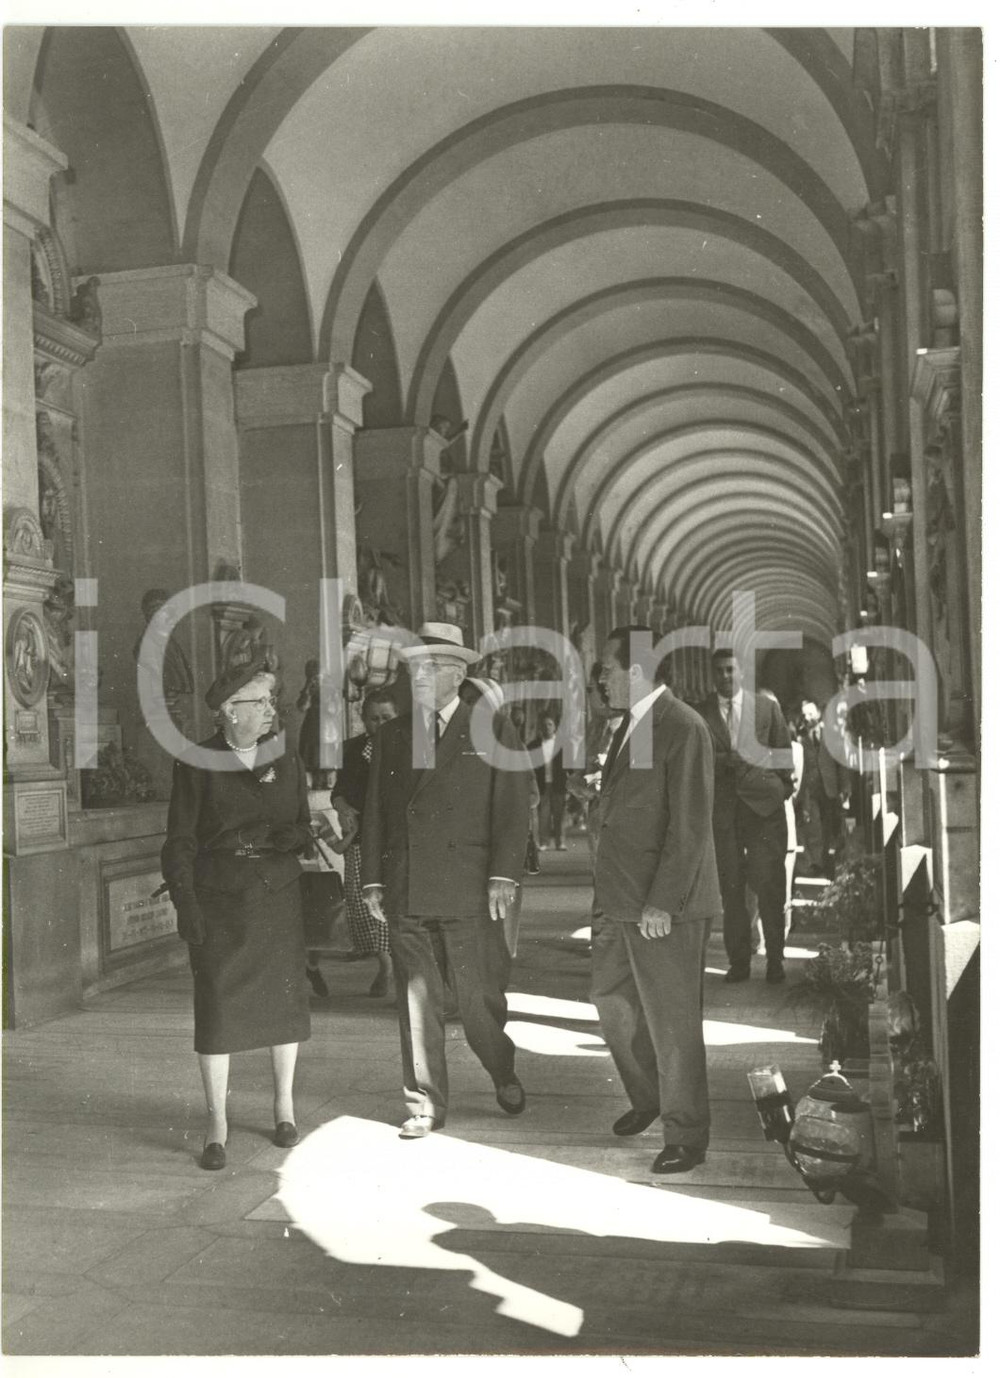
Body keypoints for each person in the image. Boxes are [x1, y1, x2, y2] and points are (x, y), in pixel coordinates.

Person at [360, 621, 531, 1139]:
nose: (416, 676)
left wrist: (504, 873)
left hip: (469, 882)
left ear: (456, 674)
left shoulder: (493, 727)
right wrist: (372, 880)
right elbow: (375, 812)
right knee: (417, 999)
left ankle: (501, 1067)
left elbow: (513, 805)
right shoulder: (393, 734)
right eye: (414, 667)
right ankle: (424, 1104)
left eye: (428, 668)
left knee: (477, 1000)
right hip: (408, 880)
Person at [161, 659, 313, 1170]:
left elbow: (301, 825)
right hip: (220, 899)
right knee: (218, 1009)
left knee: (283, 1006)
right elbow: (180, 840)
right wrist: (186, 902)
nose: (271, 711)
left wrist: (288, 837)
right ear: (229, 710)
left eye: (271, 701)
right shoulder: (198, 761)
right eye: (260, 702)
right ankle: (217, 1124)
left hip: (276, 895)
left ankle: (284, 1108)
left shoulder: (285, 758)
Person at [591, 626, 722, 1175]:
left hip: (664, 905)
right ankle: (649, 1098)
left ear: (637, 670)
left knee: (672, 1023)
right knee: (611, 1003)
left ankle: (686, 1134)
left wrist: (662, 902)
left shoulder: (682, 726)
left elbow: (689, 825)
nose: (599, 676)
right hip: (621, 897)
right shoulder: (631, 725)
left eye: (606, 668)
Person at [697, 648, 793, 984]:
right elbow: (697, 760)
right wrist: (725, 763)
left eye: (730, 670)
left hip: (764, 810)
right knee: (731, 888)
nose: (725, 676)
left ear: (742, 673)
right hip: (723, 813)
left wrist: (780, 789)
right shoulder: (701, 713)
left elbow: (783, 754)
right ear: (713, 675)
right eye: (719, 671)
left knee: (769, 884)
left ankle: (775, 959)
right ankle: (738, 962)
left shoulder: (766, 708)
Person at [330, 686, 400, 997]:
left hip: (392, 840)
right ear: (362, 719)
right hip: (358, 838)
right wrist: (342, 806)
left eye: (387, 717)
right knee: (360, 904)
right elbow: (338, 791)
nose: (380, 724)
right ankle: (384, 963)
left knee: (390, 903)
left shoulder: (409, 748)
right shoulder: (351, 749)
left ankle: (392, 967)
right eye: (373, 719)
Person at [798, 698, 851, 877]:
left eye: (810, 713)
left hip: (830, 789)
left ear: (818, 714)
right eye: (804, 714)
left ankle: (831, 864)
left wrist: (845, 787)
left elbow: (841, 763)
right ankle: (818, 864)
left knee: (830, 827)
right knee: (814, 829)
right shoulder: (800, 738)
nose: (807, 718)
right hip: (810, 791)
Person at [528, 713, 567, 850]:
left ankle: (560, 842)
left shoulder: (562, 745)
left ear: (555, 727)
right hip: (542, 784)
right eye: (544, 725)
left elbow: (569, 766)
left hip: (559, 783)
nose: (547, 727)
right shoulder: (534, 746)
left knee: (559, 814)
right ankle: (544, 842)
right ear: (540, 727)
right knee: (543, 814)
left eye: (550, 724)